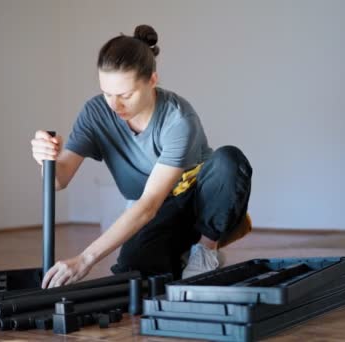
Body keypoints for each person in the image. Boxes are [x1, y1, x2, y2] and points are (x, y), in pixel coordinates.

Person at [31, 25, 252, 288]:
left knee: (229, 160)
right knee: (133, 274)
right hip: (157, 212)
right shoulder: (95, 113)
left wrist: (85, 258)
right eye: (107, 93)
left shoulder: (179, 119)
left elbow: (148, 204)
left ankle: (206, 248)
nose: (115, 105)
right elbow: (58, 181)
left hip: (198, 203)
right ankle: (179, 254)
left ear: (152, 81)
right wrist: (45, 158)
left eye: (125, 95)